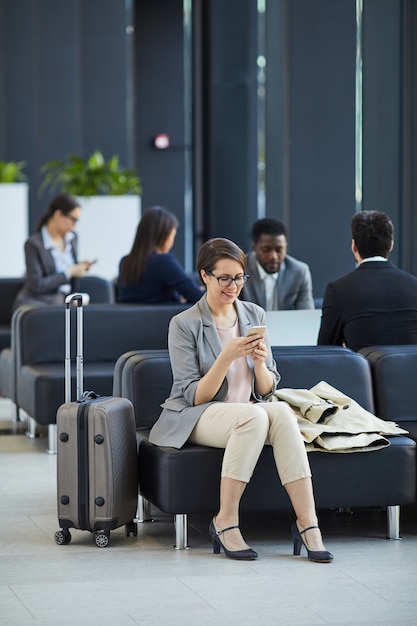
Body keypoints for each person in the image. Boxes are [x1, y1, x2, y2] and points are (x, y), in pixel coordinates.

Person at [149, 237, 333, 563]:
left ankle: (308, 522)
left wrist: (260, 363)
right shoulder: (184, 324)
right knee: (255, 417)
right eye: (224, 278)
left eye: (239, 277)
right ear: (205, 276)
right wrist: (225, 358)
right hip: (197, 414)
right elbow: (193, 394)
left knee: (280, 413)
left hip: (247, 411)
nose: (233, 286)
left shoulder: (253, 313)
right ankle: (226, 521)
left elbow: (265, 390)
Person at [318, 210, 417, 352]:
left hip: (364, 374)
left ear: (354, 246)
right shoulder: (414, 285)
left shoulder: (339, 290)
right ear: (390, 245)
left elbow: (326, 352)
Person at [12, 194, 94, 313]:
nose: (74, 225)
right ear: (58, 214)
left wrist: (79, 268)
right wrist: (69, 272)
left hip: (64, 302)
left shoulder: (72, 238)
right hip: (37, 302)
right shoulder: (34, 244)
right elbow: (37, 285)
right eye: (73, 219)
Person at [117, 206, 202, 304]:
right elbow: (197, 297)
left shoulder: (125, 263)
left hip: (128, 319)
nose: (172, 242)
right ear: (163, 238)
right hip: (163, 319)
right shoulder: (163, 261)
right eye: (172, 236)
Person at [240, 217, 314, 310]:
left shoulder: (299, 272)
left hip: (287, 324)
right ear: (254, 247)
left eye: (279, 249)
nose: (273, 256)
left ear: (285, 247)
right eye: (266, 249)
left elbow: (306, 315)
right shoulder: (240, 269)